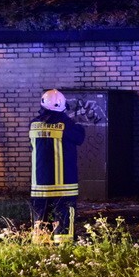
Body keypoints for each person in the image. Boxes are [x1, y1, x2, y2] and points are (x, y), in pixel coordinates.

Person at [29, 89, 85, 244]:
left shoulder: (33, 124)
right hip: (64, 184)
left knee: (40, 217)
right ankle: (64, 248)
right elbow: (80, 136)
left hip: (39, 184)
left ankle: (40, 248)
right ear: (63, 105)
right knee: (64, 216)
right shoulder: (67, 125)